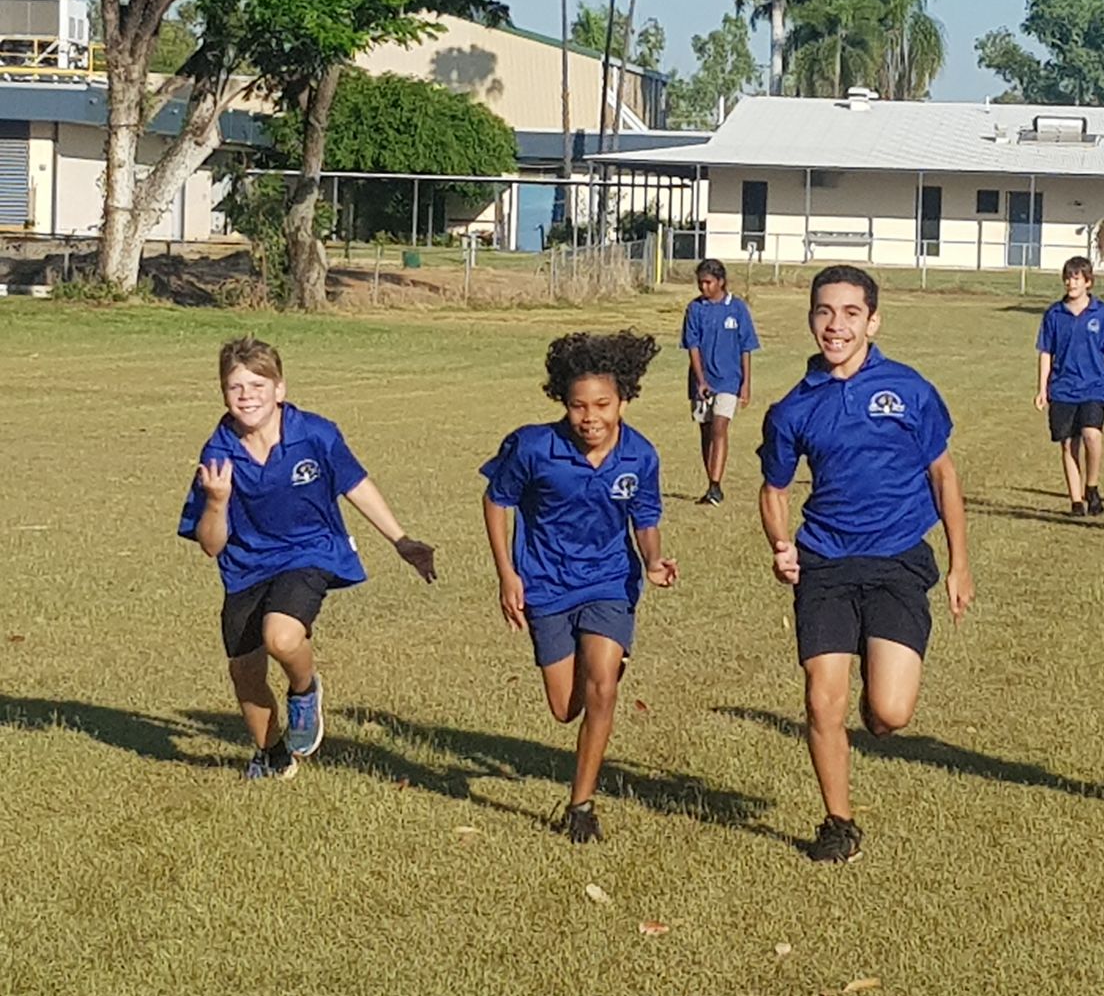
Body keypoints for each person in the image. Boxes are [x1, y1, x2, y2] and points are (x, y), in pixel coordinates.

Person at [759, 265, 974, 863]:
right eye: (825, 312)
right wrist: (780, 543)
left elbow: (943, 473)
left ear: (873, 321)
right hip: (824, 563)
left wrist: (959, 563)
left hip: (897, 563)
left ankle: (875, 700)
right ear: (811, 319)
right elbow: (773, 489)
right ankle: (838, 822)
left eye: (851, 313)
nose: (837, 325)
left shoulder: (909, 389)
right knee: (820, 699)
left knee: (889, 712)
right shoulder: (792, 408)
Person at [180, 335, 436, 780]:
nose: (247, 397)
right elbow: (211, 545)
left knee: (280, 637)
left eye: (258, 386)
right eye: (236, 387)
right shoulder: (218, 451)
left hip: (309, 551)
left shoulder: (315, 433)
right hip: (245, 566)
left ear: (280, 390)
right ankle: (270, 753)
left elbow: (355, 484)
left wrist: (401, 540)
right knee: (245, 672)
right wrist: (218, 501)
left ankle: (304, 690)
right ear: (224, 393)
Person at [482, 330, 677, 844]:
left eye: (602, 405)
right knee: (565, 707)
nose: (590, 417)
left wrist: (654, 558)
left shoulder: (641, 456)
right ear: (561, 403)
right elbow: (496, 500)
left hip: (610, 580)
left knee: (602, 688)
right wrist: (507, 574)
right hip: (545, 584)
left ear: (625, 400)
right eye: (577, 406)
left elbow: (647, 516)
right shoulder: (531, 447)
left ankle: (581, 805)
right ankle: (602, 667)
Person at [1034, 255, 1104, 516]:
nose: (1070, 282)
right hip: (1063, 387)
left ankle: (1092, 485)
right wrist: (1042, 389)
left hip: (1094, 385)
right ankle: (1076, 501)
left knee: (1092, 434)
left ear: (1088, 282)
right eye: (1067, 277)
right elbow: (1045, 352)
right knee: (1068, 443)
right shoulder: (1054, 314)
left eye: (1076, 278)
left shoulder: (1102, 314)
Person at [680, 258, 759, 505]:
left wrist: (746, 383)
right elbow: (692, 346)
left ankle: (715, 485)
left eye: (708, 282)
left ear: (720, 282)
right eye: (700, 282)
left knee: (719, 428)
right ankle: (712, 483)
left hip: (729, 380)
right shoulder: (695, 309)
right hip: (703, 381)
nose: (703, 287)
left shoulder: (737, 309)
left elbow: (746, 347)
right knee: (706, 431)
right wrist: (700, 381)